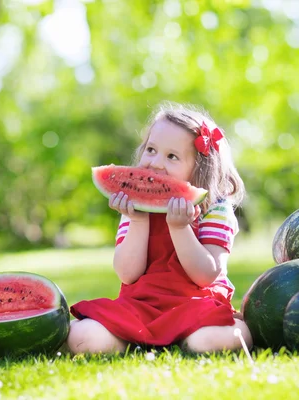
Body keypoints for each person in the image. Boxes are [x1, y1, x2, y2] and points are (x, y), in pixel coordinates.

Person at [67, 102, 252, 354]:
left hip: (196, 306)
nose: (155, 163)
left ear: (200, 169)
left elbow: (205, 275)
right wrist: (138, 221)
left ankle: (185, 340)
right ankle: (132, 338)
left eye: (172, 156)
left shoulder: (215, 208)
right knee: (82, 337)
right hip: (140, 306)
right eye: (151, 150)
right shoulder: (134, 203)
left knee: (209, 340)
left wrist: (180, 228)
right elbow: (127, 274)